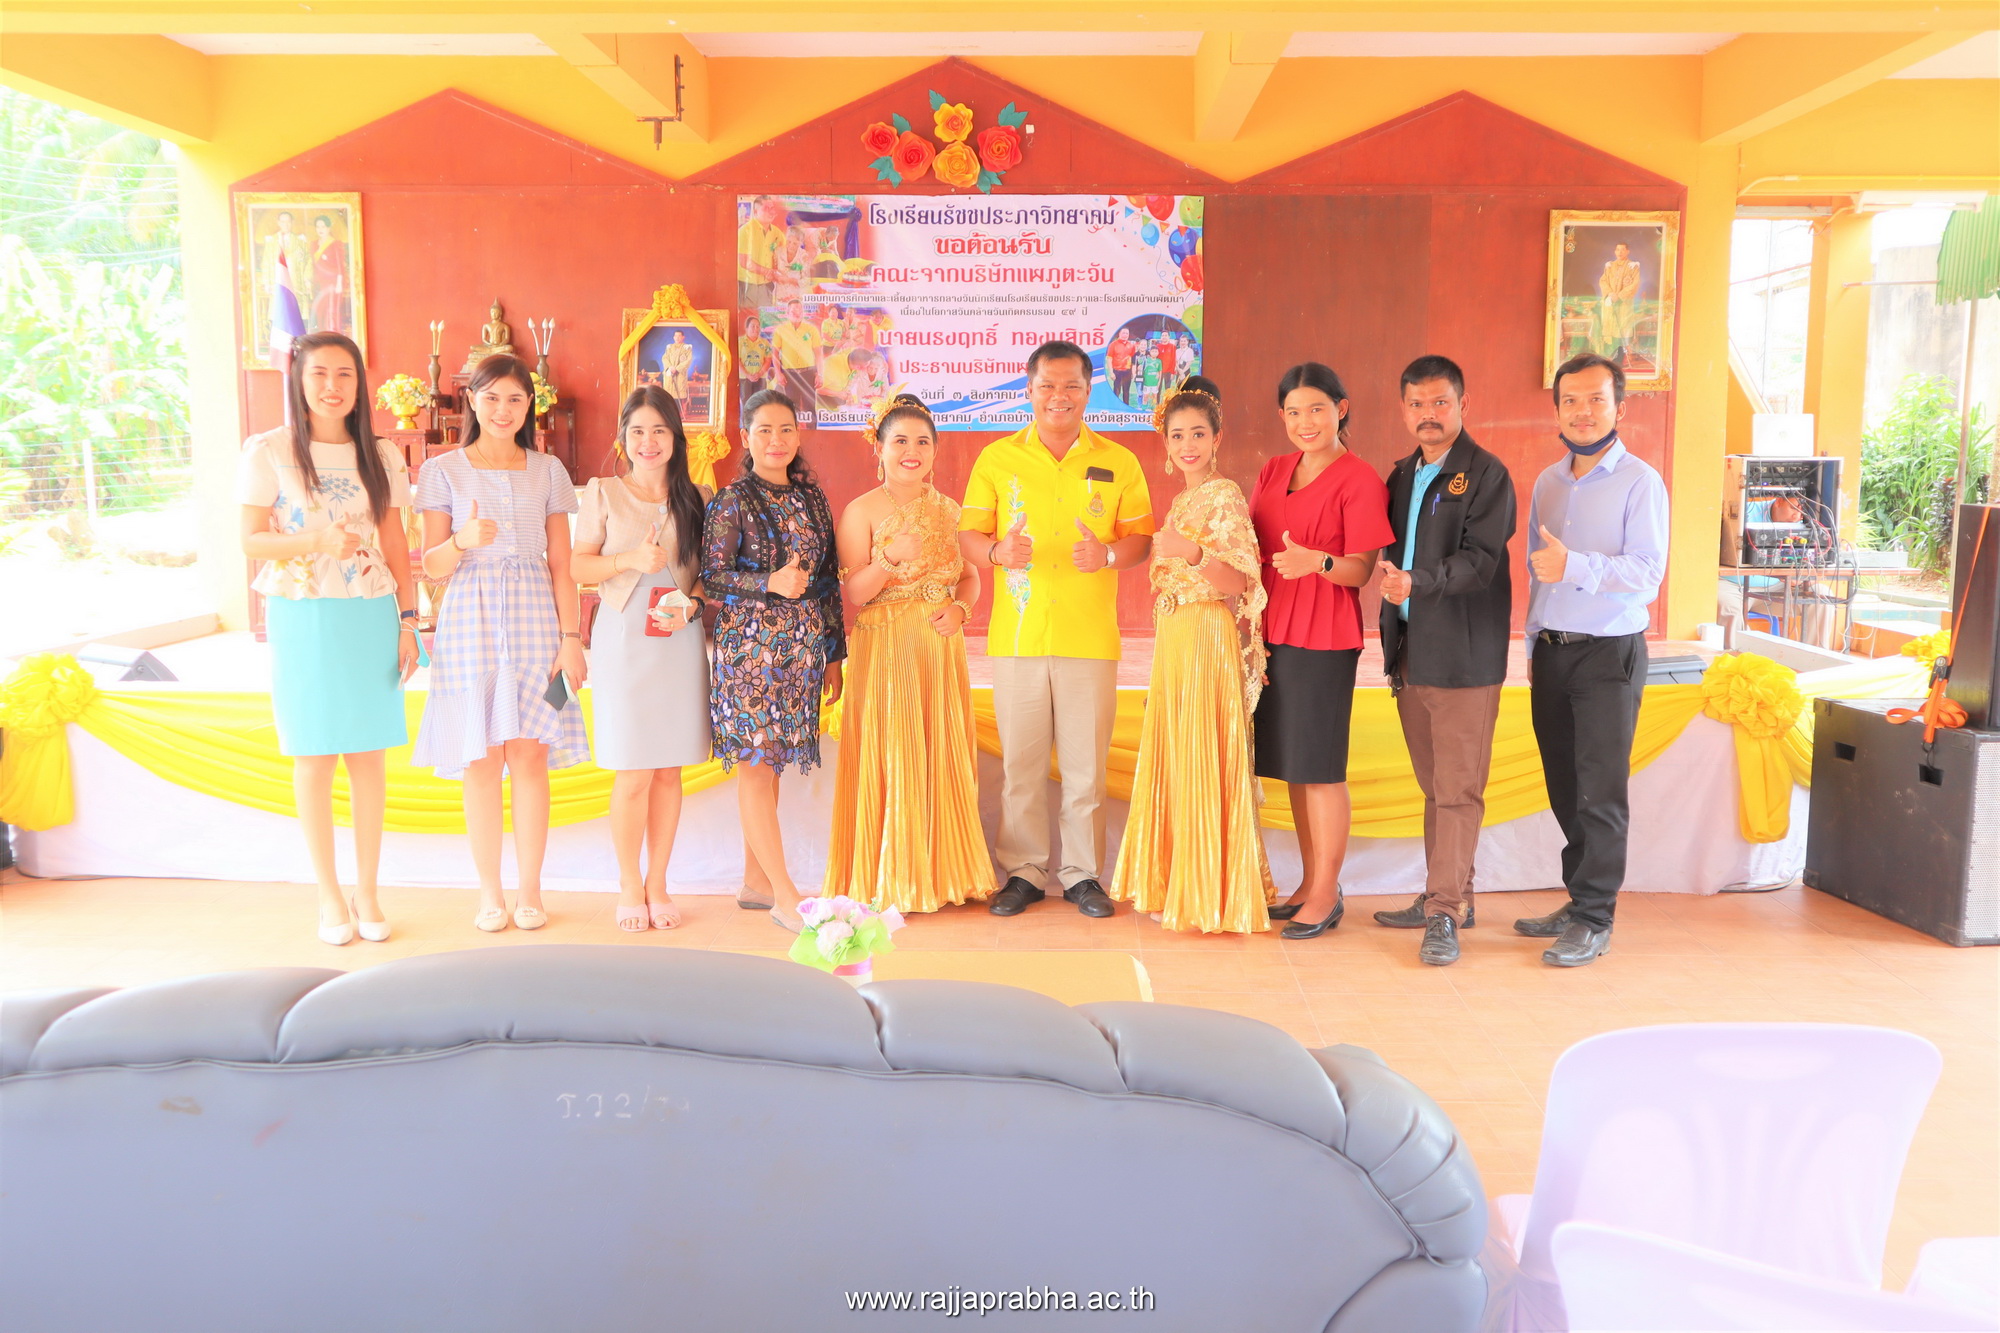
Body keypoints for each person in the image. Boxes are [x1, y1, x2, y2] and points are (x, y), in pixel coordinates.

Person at [959, 340, 1154, 918]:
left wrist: (1109, 555)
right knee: (1020, 767)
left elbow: (1141, 539)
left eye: (1071, 386)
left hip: (1089, 638)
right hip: (1017, 638)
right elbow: (969, 534)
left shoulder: (1119, 461)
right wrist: (996, 552)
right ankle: (1023, 872)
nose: (1059, 397)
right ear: (1029, 390)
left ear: (1089, 391)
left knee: (1085, 770)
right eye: (1047, 385)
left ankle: (1082, 875)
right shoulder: (997, 458)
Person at [237, 331, 418, 946]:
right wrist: (315, 541)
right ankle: (328, 894)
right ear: (299, 380)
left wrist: (408, 621)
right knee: (314, 758)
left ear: (360, 385)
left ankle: (368, 890)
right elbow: (250, 541)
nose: (332, 386)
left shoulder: (382, 454)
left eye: (345, 374)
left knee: (368, 757)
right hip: (303, 612)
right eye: (319, 374)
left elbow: (395, 541)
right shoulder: (268, 451)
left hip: (369, 611)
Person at [412, 354, 588, 933]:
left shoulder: (549, 470)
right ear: (472, 400)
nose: (503, 410)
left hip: (538, 618)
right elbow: (431, 566)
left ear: (529, 405)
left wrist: (572, 639)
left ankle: (530, 890)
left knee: (531, 754)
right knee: (482, 758)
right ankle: (490, 892)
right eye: (491, 398)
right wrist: (461, 540)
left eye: (515, 399)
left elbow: (562, 563)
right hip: (470, 620)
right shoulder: (442, 470)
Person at [1517, 352, 1668, 966]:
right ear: (1557, 410)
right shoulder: (1548, 484)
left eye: (1596, 400)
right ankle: (1579, 897)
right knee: (1564, 787)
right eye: (1571, 401)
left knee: (1600, 792)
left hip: (1609, 654)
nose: (1583, 412)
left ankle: (1594, 917)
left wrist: (1576, 565)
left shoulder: (1641, 482)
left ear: (1619, 408)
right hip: (1553, 653)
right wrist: (1533, 643)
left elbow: (1648, 573)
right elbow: (1537, 574)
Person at [1109, 377, 1272, 933]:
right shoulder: (1183, 499)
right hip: (1177, 634)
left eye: (1198, 433)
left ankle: (1209, 891)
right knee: (1180, 748)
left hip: (1206, 632)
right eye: (1177, 435)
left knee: (1202, 748)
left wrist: (1195, 552)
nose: (1187, 445)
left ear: (1217, 438)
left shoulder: (1224, 496)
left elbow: (1240, 581)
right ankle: (1181, 877)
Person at [1371, 355, 1517, 966]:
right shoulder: (1402, 474)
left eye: (1440, 403)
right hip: (1410, 653)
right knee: (1436, 788)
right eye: (1417, 404)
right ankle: (1451, 896)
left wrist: (1418, 582)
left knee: (1458, 790)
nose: (1428, 415)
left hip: (1463, 656)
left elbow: (1481, 561)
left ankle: (1444, 911)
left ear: (1463, 405)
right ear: (1403, 409)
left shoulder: (1487, 474)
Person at [826, 394, 992, 913]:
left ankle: (943, 874)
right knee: (893, 754)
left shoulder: (951, 511)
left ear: (936, 451)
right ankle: (891, 876)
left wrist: (962, 610)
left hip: (938, 650)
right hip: (884, 648)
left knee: (938, 751)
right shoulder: (861, 511)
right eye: (899, 441)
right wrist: (891, 559)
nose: (911, 451)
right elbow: (855, 593)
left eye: (922, 441)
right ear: (879, 448)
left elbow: (971, 577)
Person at [1249, 362, 1394, 940]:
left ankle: (1328, 892)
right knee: (1295, 767)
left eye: (1316, 409)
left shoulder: (1360, 479)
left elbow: (1361, 570)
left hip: (1323, 634)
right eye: (1293, 412)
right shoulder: (1273, 470)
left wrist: (1319, 561)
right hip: (1271, 633)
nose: (1304, 422)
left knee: (1322, 769)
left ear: (1341, 409)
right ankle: (1310, 883)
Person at [703, 389, 846, 932]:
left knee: (773, 763)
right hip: (750, 652)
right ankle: (786, 896)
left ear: (798, 435)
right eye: (764, 430)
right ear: (746, 437)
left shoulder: (813, 499)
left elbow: (828, 582)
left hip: (801, 651)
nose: (776, 440)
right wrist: (768, 582)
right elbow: (712, 578)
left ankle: (756, 882)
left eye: (785, 429)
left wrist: (833, 654)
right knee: (757, 765)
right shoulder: (732, 499)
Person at [569, 386, 712, 933]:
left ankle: (658, 883)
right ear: (623, 438)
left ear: (676, 437)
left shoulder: (697, 496)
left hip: (678, 639)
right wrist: (630, 558)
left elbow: (708, 574)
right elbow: (578, 567)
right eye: (637, 432)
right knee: (633, 772)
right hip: (624, 639)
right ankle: (630, 883)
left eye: (659, 431)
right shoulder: (603, 491)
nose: (648, 442)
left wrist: (692, 605)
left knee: (669, 770)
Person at [769, 299, 821, 420]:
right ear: (787, 313)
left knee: (810, 408)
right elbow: (775, 354)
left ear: (803, 312)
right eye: (793, 311)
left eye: (799, 310)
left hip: (809, 374)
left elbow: (818, 354)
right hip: (790, 375)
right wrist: (778, 373)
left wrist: (820, 374)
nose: (797, 313)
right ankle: (792, 431)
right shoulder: (780, 330)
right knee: (791, 408)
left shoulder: (811, 329)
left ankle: (812, 430)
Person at [737, 195, 787, 311]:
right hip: (747, 285)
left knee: (766, 317)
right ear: (755, 212)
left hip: (767, 285)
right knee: (747, 317)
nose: (771, 212)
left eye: (772, 208)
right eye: (766, 208)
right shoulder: (745, 231)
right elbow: (745, 262)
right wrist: (768, 271)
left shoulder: (777, 233)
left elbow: (782, 259)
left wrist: (777, 272)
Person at [1597, 242, 1641, 362]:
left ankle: (1620, 360)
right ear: (1615, 251)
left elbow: (1634, 284)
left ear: (1627, 251)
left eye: (1622, 250)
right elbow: (1603, 281)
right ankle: (1610, 359)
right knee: (1611, 331)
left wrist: (1620, 296)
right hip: (1610, 302)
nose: (1620, 252)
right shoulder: (1610, 266)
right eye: (1617, 249)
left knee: (1622, 330)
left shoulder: (1633, 266)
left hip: (1624, 304)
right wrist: (1610, 293)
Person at [309, 214, 350, 335]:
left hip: (333, 282)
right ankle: (323, 335)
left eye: (323, 227)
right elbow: (312, 264)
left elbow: (340, 265)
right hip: (319, 283)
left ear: (328, 228)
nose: (320, 229)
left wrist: (339, 283)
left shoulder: (335, 243)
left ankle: (333, 334)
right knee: (321, 310)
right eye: (318, 227)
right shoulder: (314, 244)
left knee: (332, 310)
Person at [661, 329, 694, 403]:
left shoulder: (686, 348)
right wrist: (670, 367)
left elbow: (688, 360)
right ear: (673, 337)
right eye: (675, 336)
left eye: (679, 336)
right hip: (670, 374)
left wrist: (677, 369)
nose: (677, 338)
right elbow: (665, 358)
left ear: (683, 337)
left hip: (680, 374)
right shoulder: (669, 347)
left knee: (680, 398)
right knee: (668, 397)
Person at [1107, 328, 1138, 404]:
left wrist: (1133, 372)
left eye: (1127, 333)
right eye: (1123, 333)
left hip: (1127, 371)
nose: (1125, 335)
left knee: (1126, 391)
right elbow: (1109, 359)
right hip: (1117, 371)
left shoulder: (1131, 345)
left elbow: (1133, 360)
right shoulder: (1113, 344)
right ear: (1119, 334)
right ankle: (1115, 407)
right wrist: (1111, 372)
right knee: (1116, 391)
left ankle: (1126, 407)